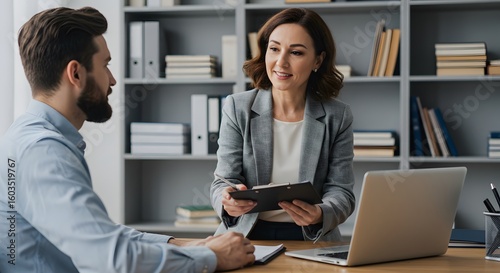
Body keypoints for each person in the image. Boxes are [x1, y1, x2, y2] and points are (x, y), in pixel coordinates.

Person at [0, 6, 254, 273]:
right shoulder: (45, 152)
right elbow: (114, 258)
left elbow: (105, 236)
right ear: (75, 74)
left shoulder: (26, 136)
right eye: (105, 65)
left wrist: (186, 245)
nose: (112, 80)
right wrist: (212, 258)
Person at [210, 8, 355, 242]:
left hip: (311, 237)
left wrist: (320, 213)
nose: (281, 62)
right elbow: (223, 181)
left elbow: (342, 192)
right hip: (246, 235)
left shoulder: (337, 115)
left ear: (317, 60)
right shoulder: (238, 107)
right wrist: (227, 200)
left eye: (296, 52)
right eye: (274, 49)